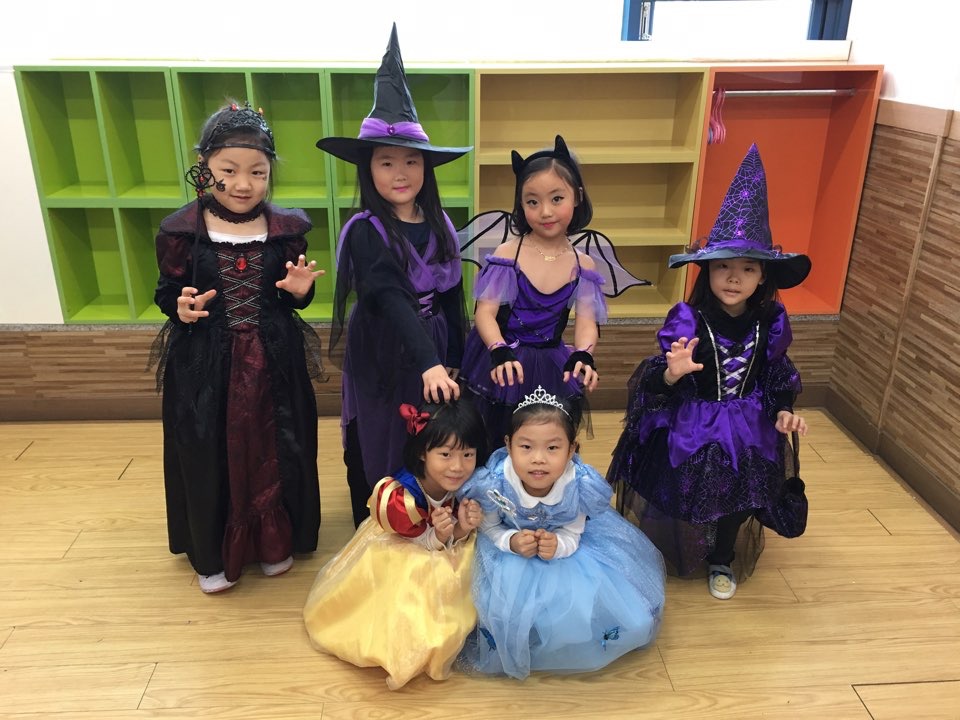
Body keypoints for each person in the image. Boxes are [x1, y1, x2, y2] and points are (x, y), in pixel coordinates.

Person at [607, 143, 811, 600]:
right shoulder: (688, 320)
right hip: (693, 421)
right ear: (706, 271)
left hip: (748, 426)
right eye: (723, 267)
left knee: (739, 496)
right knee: (682, 490)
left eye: (747, 268)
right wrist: (672, 374)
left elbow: (776, 374)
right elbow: (656, 383)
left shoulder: (770, 322)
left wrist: (782, 410)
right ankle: (671, 548)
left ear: (763, 276)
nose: (734, 278)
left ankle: (722, 556)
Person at [151, 101, 324, 594]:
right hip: (206, 360)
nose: (244, 184)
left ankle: (274, 542)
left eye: (257, 172)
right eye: (229, 171)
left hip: (274, 356)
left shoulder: (287, 230)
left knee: (276, 445)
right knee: (209, 449)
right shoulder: (181, 231)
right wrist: (180, 308)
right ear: (204, 167)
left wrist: (299, 293)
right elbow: (167, 291)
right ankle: (212, 553)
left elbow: (292, 298)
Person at [317, 24, 472, 527]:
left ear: (426, 167)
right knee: (384, 425)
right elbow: (387, 296)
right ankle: (382, 517)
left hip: (433, 345)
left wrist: (451, 359)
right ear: (369, 169)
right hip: (383, 347)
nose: (400, 173)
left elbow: (452, 296)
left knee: (430, 430)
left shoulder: (441, 224)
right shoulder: (366, 231)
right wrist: (427, 361)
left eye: (411, 161)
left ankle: (431, 517)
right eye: (386, 163)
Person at [457, 386, 665, 680]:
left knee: (589, 607)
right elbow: (490, 526)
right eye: (526, 447)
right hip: (508, 554)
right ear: (508, 444)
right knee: (498, 608)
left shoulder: (578, 484)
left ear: (572, 450)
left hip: (564, 552)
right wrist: (511, 541)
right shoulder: (496, 481)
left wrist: (559, 545)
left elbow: (573, 531)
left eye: (552, 448)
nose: (538, 459)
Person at [303, 400, 488, 690]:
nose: (457, 466)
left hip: (440, 539)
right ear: (422, 452)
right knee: (413, 588)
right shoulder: (401, 497)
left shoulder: (467, 485)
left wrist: (462, 527)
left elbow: (454, 534)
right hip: (400, 546)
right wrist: (440, 535)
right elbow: (416, 540)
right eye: (445, 454)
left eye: (468, 454)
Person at [458, 135, 609, 451]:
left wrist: (584, 353)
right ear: (520, 204)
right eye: (532, 202)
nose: (545, 212)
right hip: (504, 358)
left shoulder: (583, 264)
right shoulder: (507, 254)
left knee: (544, 438)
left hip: (551, 362)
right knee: (496, 439)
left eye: (557, 198)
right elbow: (484, 313)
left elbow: (586, 321)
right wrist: (498, 349)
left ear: (578, 197)